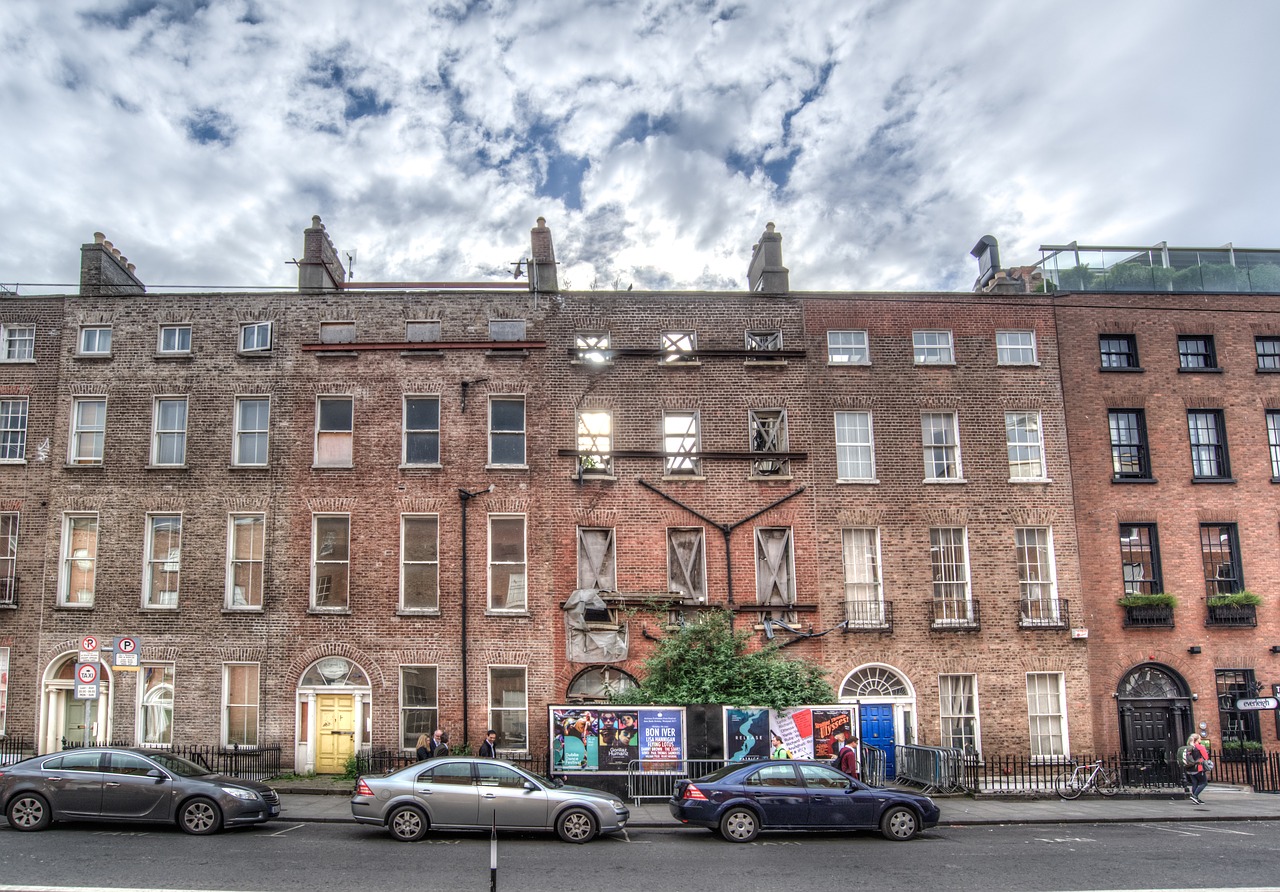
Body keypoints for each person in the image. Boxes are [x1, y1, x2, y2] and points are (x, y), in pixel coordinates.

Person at [1183, 733, 1210, 803]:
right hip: (1198, 768)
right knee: (1204, 783)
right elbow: (1206, 757)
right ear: (1197, 740)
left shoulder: (1188, 747)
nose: (1201, 739)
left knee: (1195, 783)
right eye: (1200, 738)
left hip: (1189, 768)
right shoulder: (1200, 747)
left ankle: (1195, 799)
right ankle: (1194, 796)